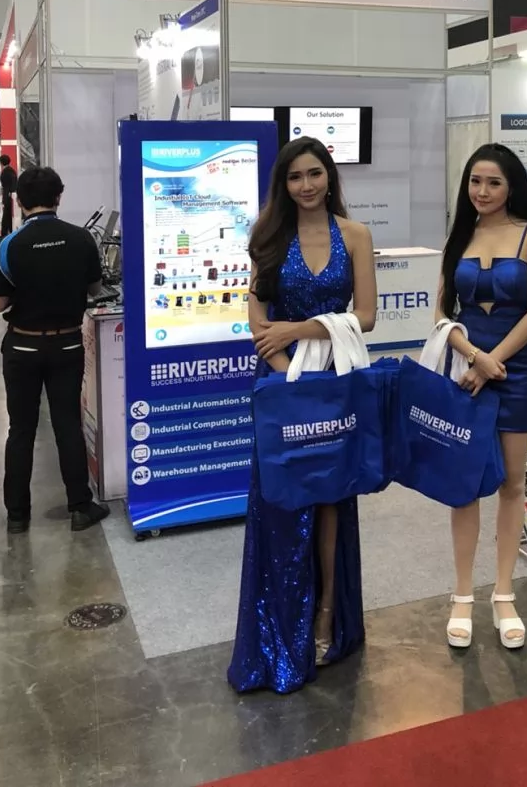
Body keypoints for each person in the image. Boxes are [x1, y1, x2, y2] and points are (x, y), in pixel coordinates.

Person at [227, 137, 377, 695]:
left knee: (333, 498)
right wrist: (288, 369)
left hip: (335, 381)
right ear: (283, 184)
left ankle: (327, 615)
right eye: (295, 177)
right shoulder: (267, 235)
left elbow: (366, 316)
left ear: (329, 177)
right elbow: (257, 316)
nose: (307, 185)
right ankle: (280, 623)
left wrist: (300, 330)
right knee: (282, 502)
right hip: (281, 382)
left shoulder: (355, 235)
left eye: (315, 174)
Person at [437, 144, 527, 651]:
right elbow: (441, 313)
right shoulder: (459, 234)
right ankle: (462, 595)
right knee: (464, 484)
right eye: (475, 182)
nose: (482, 192)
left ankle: (504, 594)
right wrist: (472, 356)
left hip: (516, 370)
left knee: (511, 482)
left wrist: (493, 361)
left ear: (512, 187)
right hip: (464, 372)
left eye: (493, 183)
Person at [0, 166, 109, 534]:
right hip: (67, 343)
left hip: (22, 345)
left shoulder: (8, 245)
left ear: (20, 201)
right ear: (59, 197)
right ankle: (80, 507)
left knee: (20, 429)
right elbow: (95, 289)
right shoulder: (81, 238)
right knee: (67, 424)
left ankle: (17, 516)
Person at [0, 155, 17, 236]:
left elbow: (7, 185)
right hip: (10, 195)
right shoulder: (11, 171)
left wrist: (8, 194)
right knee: (8, 215)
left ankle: (4, 233)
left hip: (8, 196)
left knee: (6, 215)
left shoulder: (6, 172)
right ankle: (10, 232)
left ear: (1, 162)